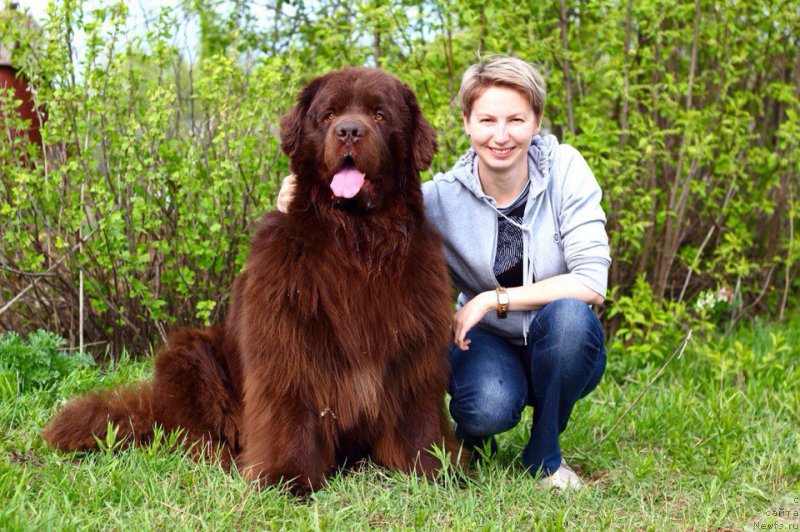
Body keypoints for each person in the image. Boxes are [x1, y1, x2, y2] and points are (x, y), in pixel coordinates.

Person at [276, 56, 610, 490]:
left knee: (570, 321)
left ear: (537, 122)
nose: (501, 135)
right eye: (487, 119)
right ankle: (478, 435)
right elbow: (383, 203)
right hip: (487, 343)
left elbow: (590, 283)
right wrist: (295, 192)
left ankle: (545, 453)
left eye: (516, 119)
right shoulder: (441, 199)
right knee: (487, 404)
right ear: (468, 125)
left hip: (557, 335)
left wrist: (492, 299)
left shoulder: (567, 171)